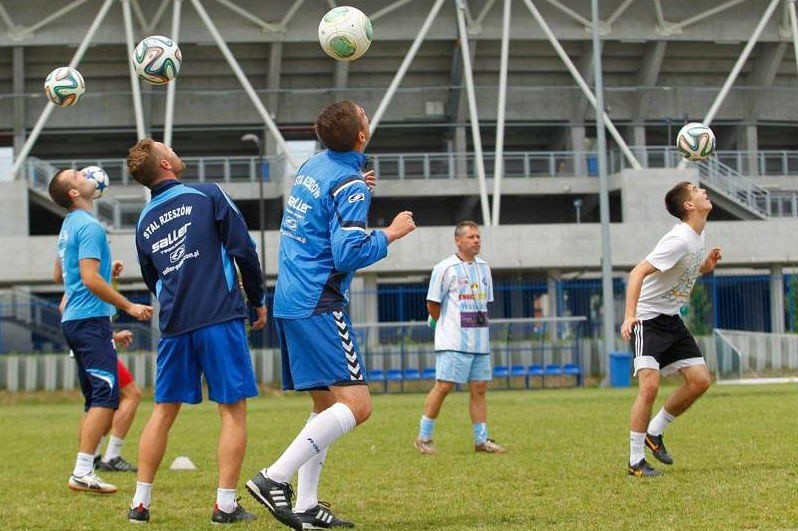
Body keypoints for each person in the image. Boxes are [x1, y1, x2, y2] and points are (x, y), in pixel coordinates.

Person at [244, 100, 416, 531]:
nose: (367, 115)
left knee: (325, 408)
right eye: (364, 114)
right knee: (357, 407)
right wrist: (391, 232)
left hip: (290, 298)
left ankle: (305, 505)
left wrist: (357, 183)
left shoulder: (314, 167)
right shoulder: (348, 183)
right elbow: (348, 251)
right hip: (319, 302)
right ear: (361, 135)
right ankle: (273, 477)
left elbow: (327, 205)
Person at [126, 138, 267, 524]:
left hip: (174, 324)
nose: (172, 149)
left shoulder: (143, 220)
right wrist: (257, 300)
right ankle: (225, 505)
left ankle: (140, 503)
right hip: (218, 315)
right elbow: (244, 250)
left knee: (163, 411)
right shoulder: (207, 195)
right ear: (166, 163)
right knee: (232, 409)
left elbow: (152, 279)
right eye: (166, 146)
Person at [49, 168, 153, 495]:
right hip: (89, 321)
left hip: (77, 322)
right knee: (108, 396)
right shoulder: (90, 226)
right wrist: (129, 307)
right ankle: (83, 470)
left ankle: (87, 466)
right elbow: (90, 280)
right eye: (77, 174)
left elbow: (59, 275)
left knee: (96, 398)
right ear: (73, 193)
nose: (84, 173)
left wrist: (106, 268)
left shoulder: (69, 226)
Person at [620, 181, 722, 477]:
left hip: (671, 320)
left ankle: (655, 431)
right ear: (689, 206)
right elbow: (637, 272)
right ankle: (635, 461)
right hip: (647, 320)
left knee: (700, 381)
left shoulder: (698, 234)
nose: (703, 191)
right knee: (649, 387)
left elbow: (685, 268)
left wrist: (705, 267)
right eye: (696, 190)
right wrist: (630, 317)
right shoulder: (678, 238)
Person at [414, 220, 506, 456]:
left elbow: (484, 303)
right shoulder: (444, 268)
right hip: (454, 340)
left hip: (480, 340)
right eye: (471, 237)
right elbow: (433, 303)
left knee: (479, 388)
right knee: (444, 386)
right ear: (458, 240)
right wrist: (444, 325)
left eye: (478, 237)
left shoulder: (485, 268)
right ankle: (423, 438)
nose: (476, 240)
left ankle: (481, 440)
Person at [94, 330, 142, 473]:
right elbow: (65, 308)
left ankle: (92, 455)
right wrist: (129, 306)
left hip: (93, 345)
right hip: (97, 347)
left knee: (109, 401)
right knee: (132, 394)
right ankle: (111, 456)